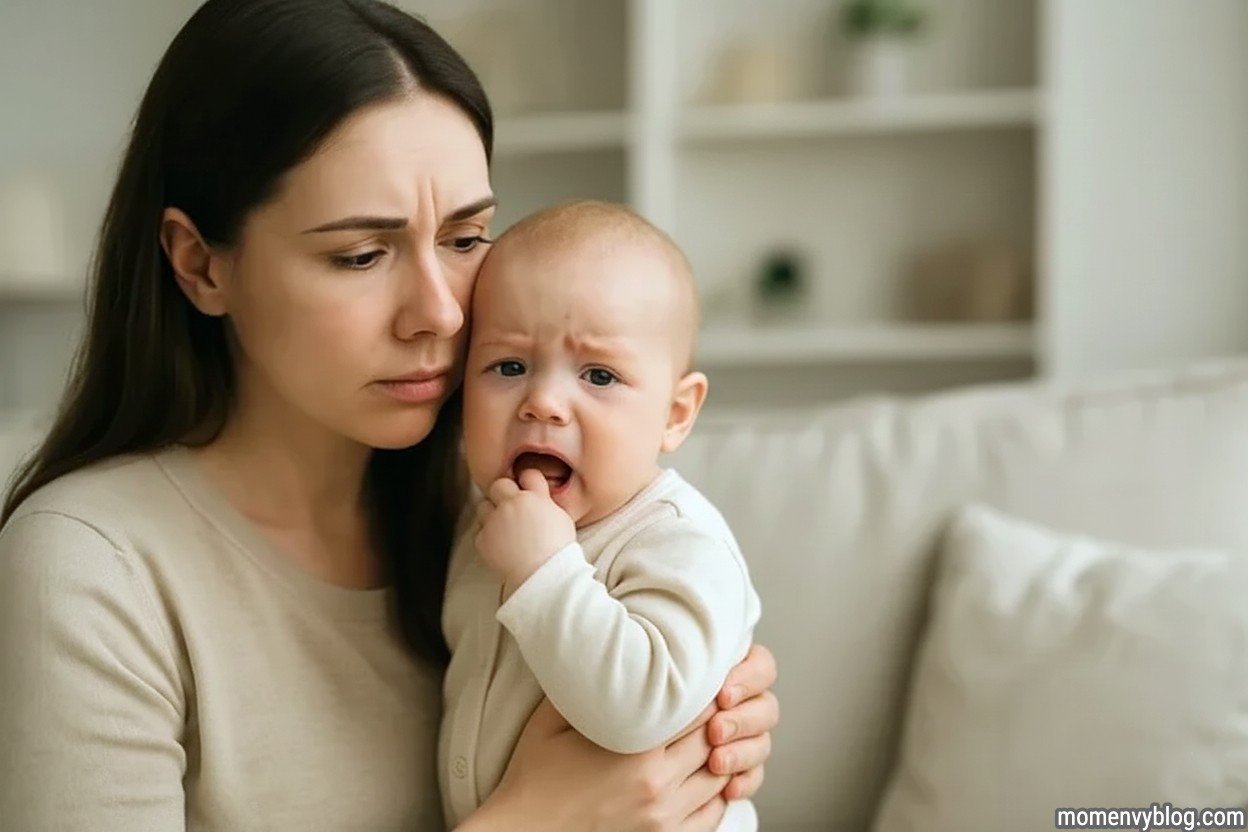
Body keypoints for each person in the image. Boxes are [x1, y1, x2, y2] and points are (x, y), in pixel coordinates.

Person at [0, 1, 779, 830]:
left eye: (465, 237)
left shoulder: (495, 505)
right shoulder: (90, 569)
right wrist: (536, 820)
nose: (439, 313)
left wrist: (708, 728)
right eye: (361, 255)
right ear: (200, 264)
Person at [439, 200, 763, 832]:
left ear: (676, 414)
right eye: (509, 366)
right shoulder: (482, 527)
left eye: (599, 375)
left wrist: (543, 571)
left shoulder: (679, 540)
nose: (544, 402)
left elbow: (643, 710)